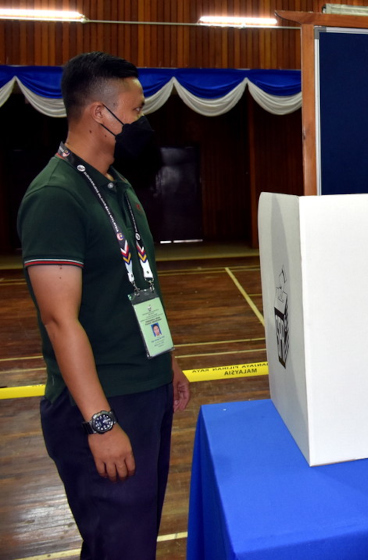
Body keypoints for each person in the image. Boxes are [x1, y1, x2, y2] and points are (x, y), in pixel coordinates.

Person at [17, 51, 190, 559]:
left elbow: (140, 285)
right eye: (136, 111)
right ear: (99, 114)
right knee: (119, 547)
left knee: (136, 540)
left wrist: (167, 359)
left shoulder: (118, 185)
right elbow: (58, 319)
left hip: (146, 387)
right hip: (104, 401)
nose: (144, 123)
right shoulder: (56, 196)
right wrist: (100, 422)